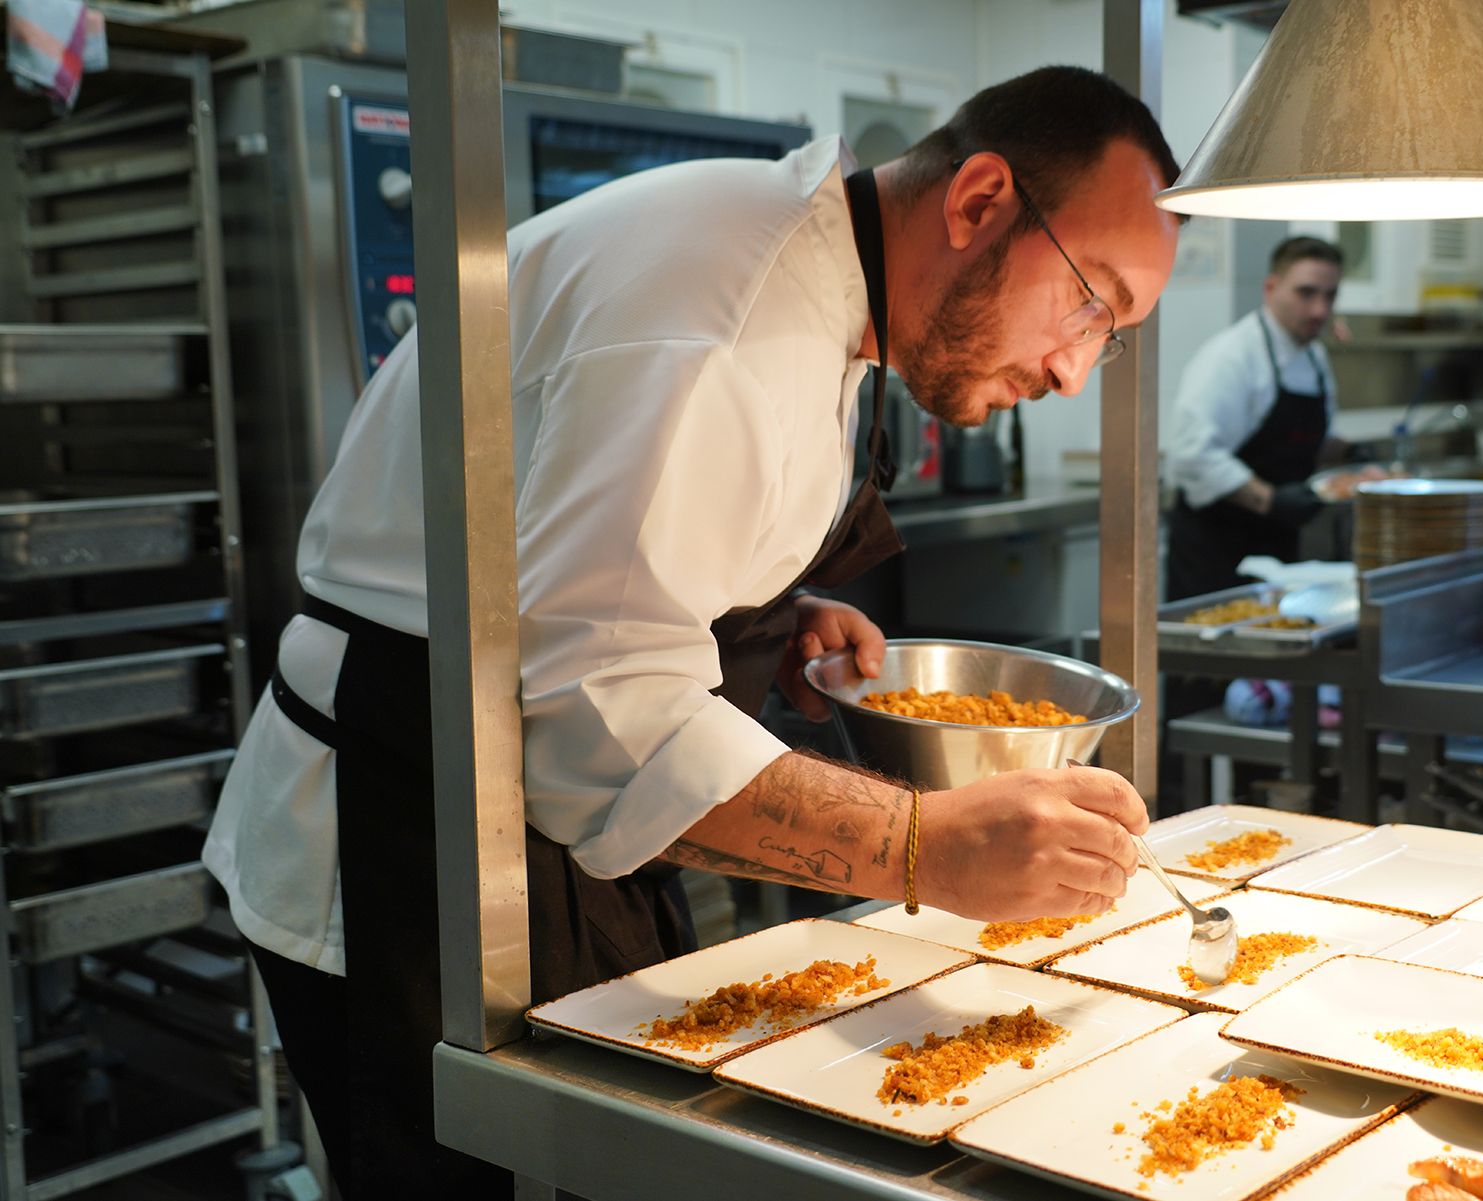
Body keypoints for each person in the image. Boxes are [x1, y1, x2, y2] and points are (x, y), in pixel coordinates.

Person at [202, 66, 1182, 1198]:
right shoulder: (725, 324)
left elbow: (591, 557)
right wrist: (928, 844)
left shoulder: (819, 270)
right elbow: (601, 713)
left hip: (512, 806)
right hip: (407, 829)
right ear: (976, 203)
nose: (1071, 369)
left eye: (1107, 337)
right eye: (1090, 301)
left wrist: (761, 605)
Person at [1165, 236, 1363, 602]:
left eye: (1330, 295)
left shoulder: (1314, 357)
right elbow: (1192, 454)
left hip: (1277, 544)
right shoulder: (1232, 356)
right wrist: (1270, 500)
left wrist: (1352, 456)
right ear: (1270, 288)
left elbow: (1307, 439)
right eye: (1306, 293)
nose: (1320, 309)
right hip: (1217, 549)